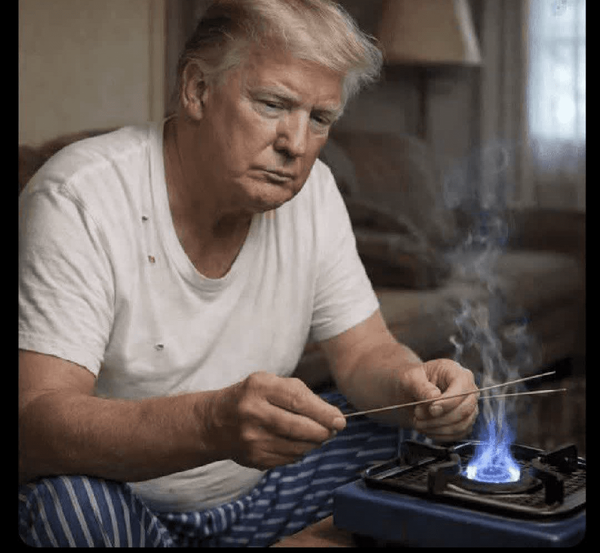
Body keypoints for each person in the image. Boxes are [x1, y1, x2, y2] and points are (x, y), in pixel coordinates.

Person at [18, 0, 479, 547]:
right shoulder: (78, 196)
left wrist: (412, 388)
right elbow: (35, 425)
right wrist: (211, 425)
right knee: (68, 507)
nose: (296, 144)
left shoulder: (315, 193)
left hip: (262, 495)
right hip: (128, 503)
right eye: (272, 104)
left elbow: (364, 353)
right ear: (197, 89)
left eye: (320, 118)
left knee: (411, 441)